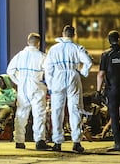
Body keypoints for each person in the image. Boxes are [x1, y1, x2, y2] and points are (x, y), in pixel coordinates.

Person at [43, 25, 93, 153]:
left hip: (58, 78)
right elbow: (88, 61)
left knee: (57, 111)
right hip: (73, 76)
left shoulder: (53, 49)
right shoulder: (77, 48)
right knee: (74, 110)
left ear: (62, 33)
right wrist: (83, 72)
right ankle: (76, 141)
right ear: (73, 34)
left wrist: (50, 84)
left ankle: (57, 142)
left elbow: (47, 68)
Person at [6, 32, 51, 150]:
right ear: (38, 43)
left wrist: (18, 81)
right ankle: (39, 141)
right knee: (39, 114)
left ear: (28, 42)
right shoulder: (42, 56)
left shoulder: (19, 55)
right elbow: (49, 72)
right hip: (37, 87)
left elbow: (10, 70)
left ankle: (19, 141)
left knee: (21, 113)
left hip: (23, 88)